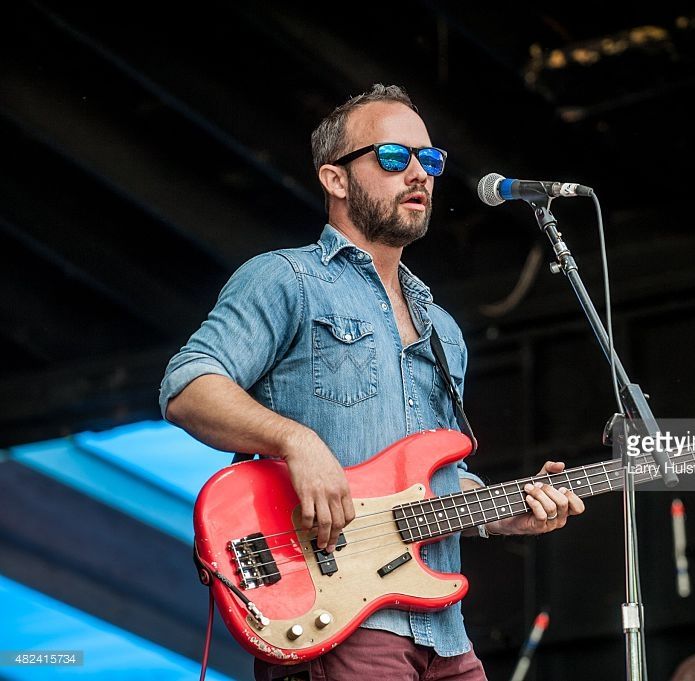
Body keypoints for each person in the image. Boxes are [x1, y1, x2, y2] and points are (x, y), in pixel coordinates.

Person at [159, 84, 585, 681]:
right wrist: (296, 442)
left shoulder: (444, 328)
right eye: (393, 157)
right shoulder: (286, 279)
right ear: (335, 179)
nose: (419, 173)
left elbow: (431, 476)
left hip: (445, 632)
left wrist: (502, 511)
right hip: (336, 613)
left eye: (430, 160)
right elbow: (188, 385)